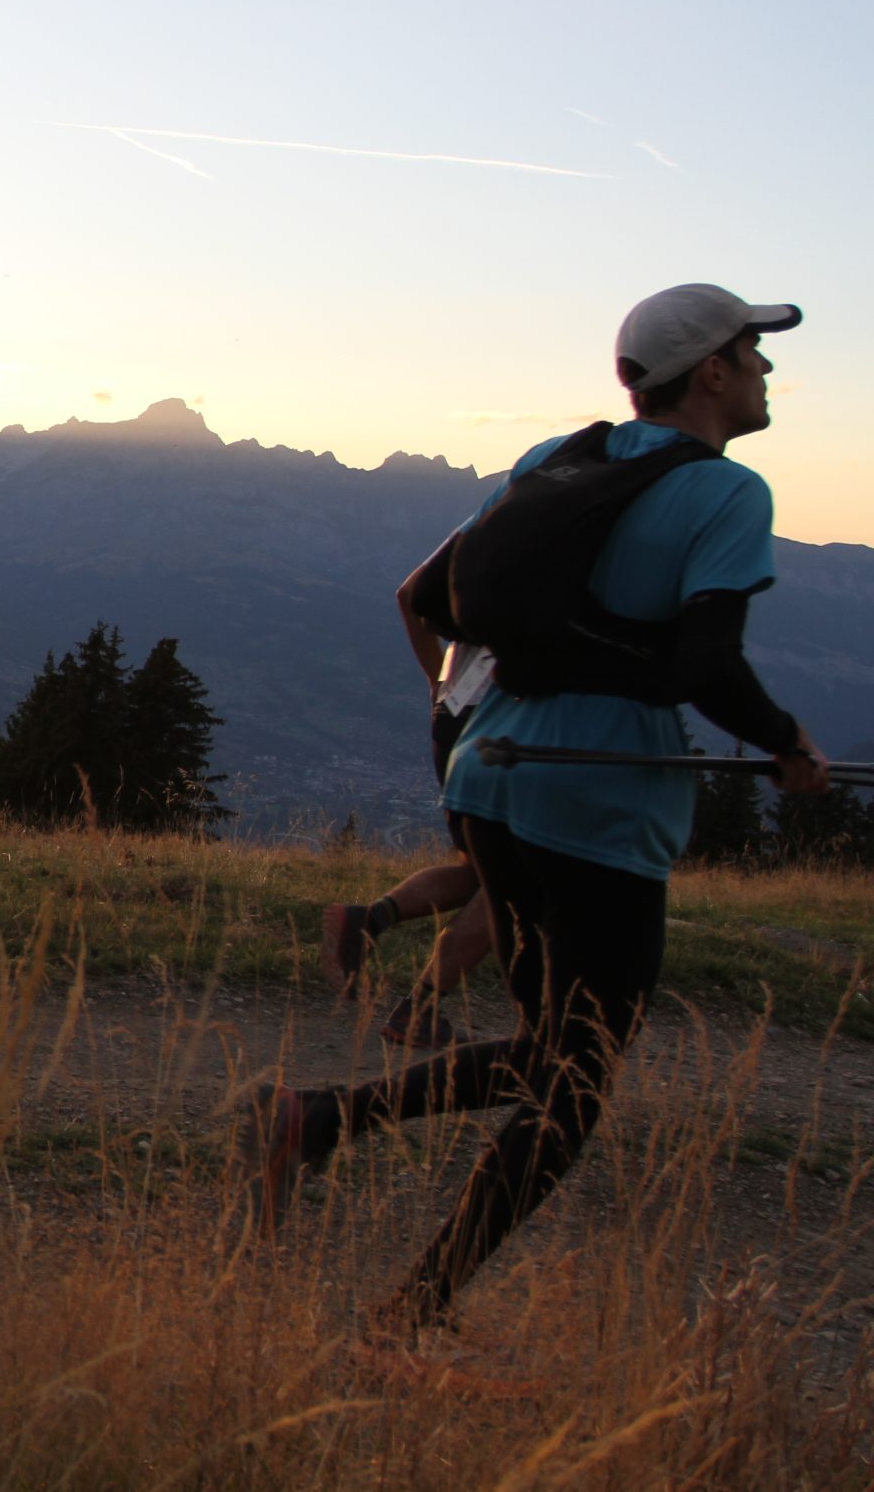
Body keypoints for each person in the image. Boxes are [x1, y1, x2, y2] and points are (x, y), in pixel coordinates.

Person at [249, 282, 831, 1329]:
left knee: (552, 1049)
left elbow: (430, 598)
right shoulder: (725, 493)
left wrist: (474, 707)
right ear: (711, 370)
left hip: (491, 780)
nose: (765, 368)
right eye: (753, 350)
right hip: (600, 802)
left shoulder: (559, 459)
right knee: (577, 1083)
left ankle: (315, 1120)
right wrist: (787, 741)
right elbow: (706, 664)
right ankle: (410, 1312)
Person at [319, 570, 497, 1049]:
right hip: (504, 725)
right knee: (515, 885)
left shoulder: (481, 536)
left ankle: (369, 920)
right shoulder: (561, 541)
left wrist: (437, 682)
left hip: (454, 713)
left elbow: (407, 595)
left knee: (480, 870)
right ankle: (418, 1011)